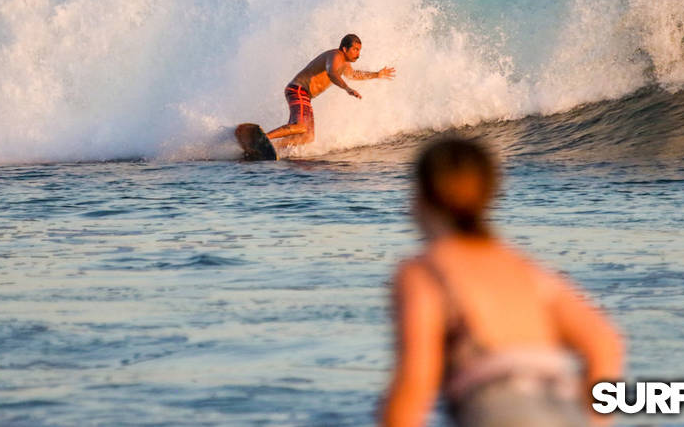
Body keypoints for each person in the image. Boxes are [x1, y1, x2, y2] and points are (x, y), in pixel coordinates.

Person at [382, 138, 624, 427]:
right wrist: (595, 421)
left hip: (500, 411)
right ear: (489, 195)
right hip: (564, 406)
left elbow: (416, 378)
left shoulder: (425, 272)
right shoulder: (525, 268)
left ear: (420, 198)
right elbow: (604, 342)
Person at [265, 34, 395, 147]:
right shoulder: (335, 55)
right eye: (355, 49)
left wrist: (376, 74)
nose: (358, 54)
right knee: (301, 126)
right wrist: (347, 88)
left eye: (359, 50)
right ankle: (264, 138)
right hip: (298, 90)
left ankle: (274, 147)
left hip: (305, 96)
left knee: (307, 137)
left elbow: (354, 75)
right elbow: (331, 73)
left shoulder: (345, 64)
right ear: (345, 49)